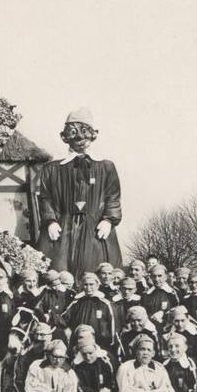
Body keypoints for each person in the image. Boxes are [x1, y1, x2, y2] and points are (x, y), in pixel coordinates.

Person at [35, 109, 124, 276]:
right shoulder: (52, 169)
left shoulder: (106, 167)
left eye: (85, 132)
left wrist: (109, 220)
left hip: (95, 227)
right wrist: (50, 221)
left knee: (96, 269)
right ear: (65, 137)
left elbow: (113, 196)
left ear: (93, 134)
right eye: (74, 133)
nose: (80, 139)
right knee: (57, 272)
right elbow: (45, 197)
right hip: (63, 227)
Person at [4, 322, 55, 392]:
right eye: (37, 335)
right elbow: (18, 380)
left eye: (43, 335)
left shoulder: (57, 353)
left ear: (50, 336)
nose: (40, 338)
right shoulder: (26, 355)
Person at [62, 272, 117, 356]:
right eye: (85, 284)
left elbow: (113, 326)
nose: (88, 288)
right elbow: (65, 318)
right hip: (79, 343)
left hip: (99, 344)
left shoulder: (105, 304)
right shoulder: (76, 302)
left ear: (97, 285)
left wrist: (110, 343)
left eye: (91, 284)